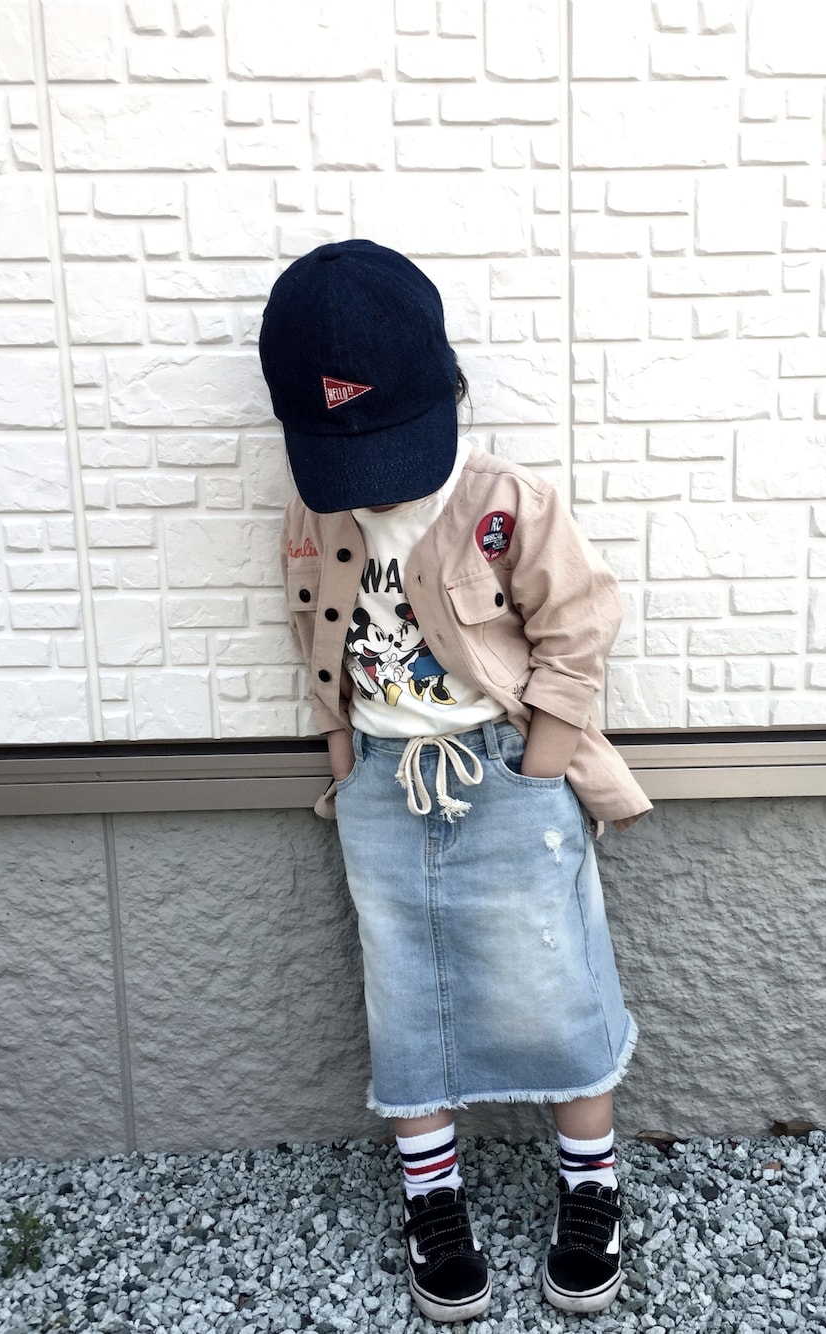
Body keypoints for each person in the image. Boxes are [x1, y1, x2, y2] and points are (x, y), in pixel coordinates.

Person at [260, 239, 652, 1322]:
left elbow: (578, 622)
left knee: (555, 982)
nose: (374, 480)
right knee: (404, 997)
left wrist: (541, 763)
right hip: (383, 787)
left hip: (505, 771)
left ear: (446, 389)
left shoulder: (503, 501)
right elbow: (313, 639)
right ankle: (432, 1201)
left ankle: (591, 1187)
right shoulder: (314, 512)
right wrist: (345, 764)